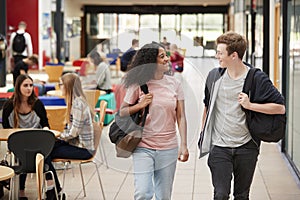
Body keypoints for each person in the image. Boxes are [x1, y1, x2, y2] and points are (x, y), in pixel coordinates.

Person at [198, 32, 286, 199]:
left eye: (220, 53)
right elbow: (208, 106)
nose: (217, 56)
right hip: (219, 146)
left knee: (242, 195)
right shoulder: (214, 77)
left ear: (234, 55)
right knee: (220, 194)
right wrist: (204, 133)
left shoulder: (256, 78)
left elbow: (280, 108)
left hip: (246, 147)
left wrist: (250, 105)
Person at [120, 42, 189, 200]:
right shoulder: (138, 84)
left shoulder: (175, 84)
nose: (167, 59)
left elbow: (181, 116)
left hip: (168, 147)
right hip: (143, 146)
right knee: (143, 192)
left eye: (166, 55)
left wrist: (184, 145)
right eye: (162, 56)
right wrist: (140, 105)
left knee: (164, 196)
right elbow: (122, 111)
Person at [44, 73, 95, 199]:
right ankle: (54, 191)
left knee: (45, 153)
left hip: (84, 149)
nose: (59, 87)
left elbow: (74, 133)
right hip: (79, 145)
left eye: (61, 84)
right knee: (45, 151)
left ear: (68, 86)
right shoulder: (76, 102)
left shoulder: (77, 104)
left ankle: (54, 191)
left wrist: (59, 136)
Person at [2, 74, 50, 200]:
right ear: (18, 87)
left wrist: (46, 131)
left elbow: (45, 124)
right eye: (25, 85)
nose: (29, 88)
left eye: (30, 85)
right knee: (24, 155)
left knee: (47, 153)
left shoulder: (37, 104)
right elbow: (6, 130)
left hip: (37, 142)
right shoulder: (9, 106)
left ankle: (50, 189)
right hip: (18, 144)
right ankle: (22, 192)